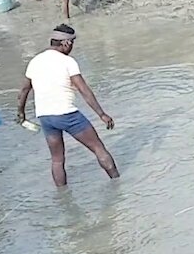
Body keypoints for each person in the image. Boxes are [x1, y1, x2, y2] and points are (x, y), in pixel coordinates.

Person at [17, 24, 119, 187]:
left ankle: (62, 196)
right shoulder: (67, 62)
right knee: (98, 148)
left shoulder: (35, 61)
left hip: (45, 117)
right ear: (66, 43)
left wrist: (21, 113)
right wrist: (102, 114)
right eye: (72, 43)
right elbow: (83, 89)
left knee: (57, 160)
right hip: (67, 114)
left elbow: (24, 90)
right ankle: (118, 184)